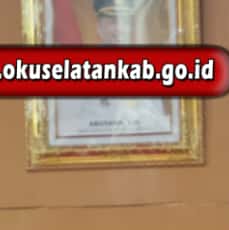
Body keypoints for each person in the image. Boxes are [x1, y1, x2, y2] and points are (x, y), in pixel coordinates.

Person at [50, 0, 177, 146]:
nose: (120, 29)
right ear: (99, 27)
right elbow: (67, 126)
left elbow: (159, 124)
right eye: (112, 21)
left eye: (125, 21)